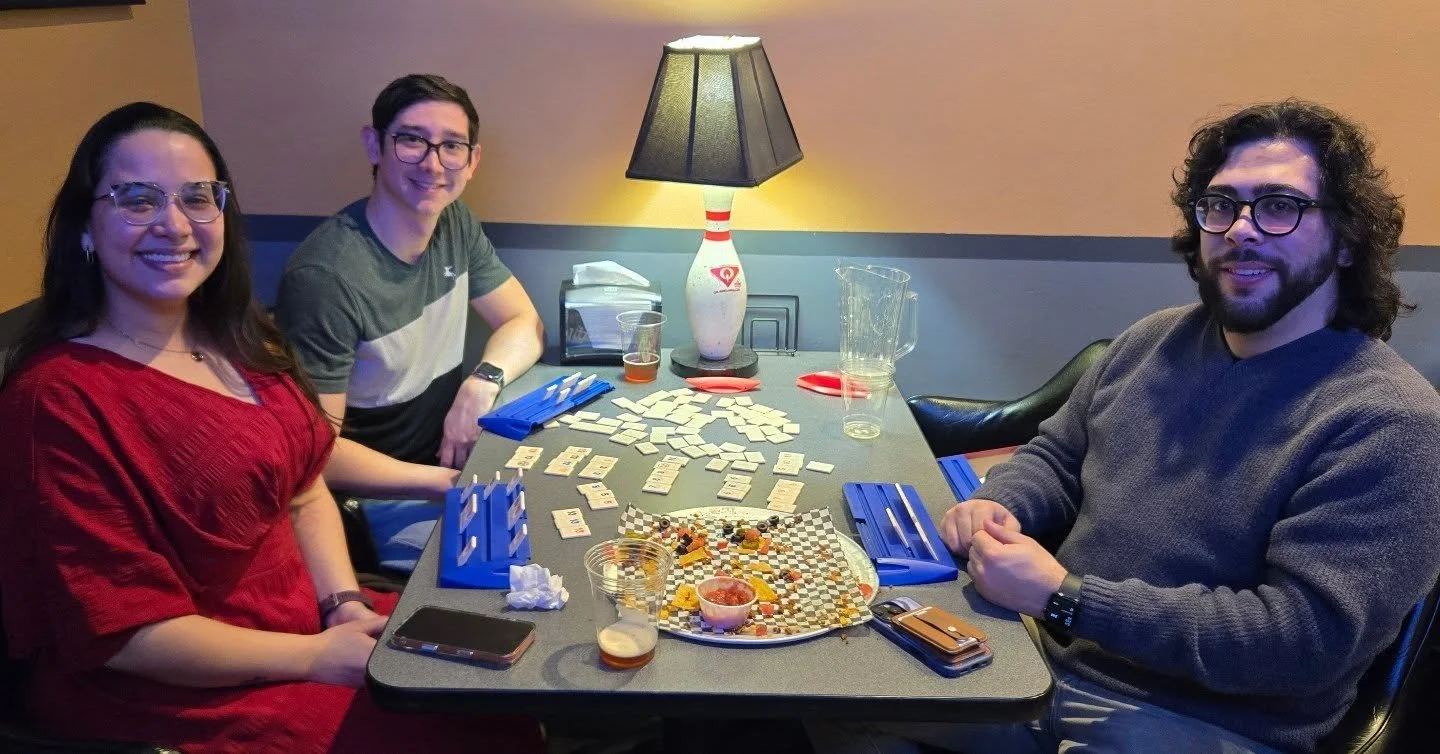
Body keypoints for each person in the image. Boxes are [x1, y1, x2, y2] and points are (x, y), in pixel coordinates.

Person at [817, 100, 1440, 754]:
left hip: (1203, 724)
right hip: (1039, 663)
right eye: (1221, 204)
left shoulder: (1391, 423)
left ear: (1346, 240)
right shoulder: (1153, 342)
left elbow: (1299, 642)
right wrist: (1000, 505)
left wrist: (1065, 598)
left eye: (1279, 206)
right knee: (830, 692)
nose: (1241, 229)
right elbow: (1057, 458)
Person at [0, 102, 542, 753]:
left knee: (501, 703)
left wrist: (342, 603)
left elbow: (305, 488)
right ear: (85, 226)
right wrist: (315, 656)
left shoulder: (240, 338)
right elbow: (123, 634)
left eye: (197, 198)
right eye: (138, 199)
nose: (174, 224)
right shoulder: (56, 400)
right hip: (177, 687)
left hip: (307, 623)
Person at [275, 73, 544, 572]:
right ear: (374, 145)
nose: (433, 164)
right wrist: (443, 484)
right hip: (374, 501)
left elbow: (523, 321)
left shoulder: (455, 221)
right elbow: (315, 454)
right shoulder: (325, 278)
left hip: (444, 465)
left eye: (451, 146)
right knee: (527, 574)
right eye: (412, 141)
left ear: (473, 161)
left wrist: (479, 385)